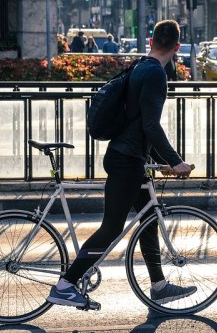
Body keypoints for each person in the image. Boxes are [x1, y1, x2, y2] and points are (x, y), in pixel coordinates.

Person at [46, 19, 195, 309]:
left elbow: (136, 122)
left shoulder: (141, 66)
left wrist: (154, 161)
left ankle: (159, 285)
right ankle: (66, 285)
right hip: (126, 160)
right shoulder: (155, 75)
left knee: (148, 221)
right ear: (177, 47)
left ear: (151, 41)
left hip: (132, 158)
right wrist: (175, 162)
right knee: (111, 228)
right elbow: (151, 125)